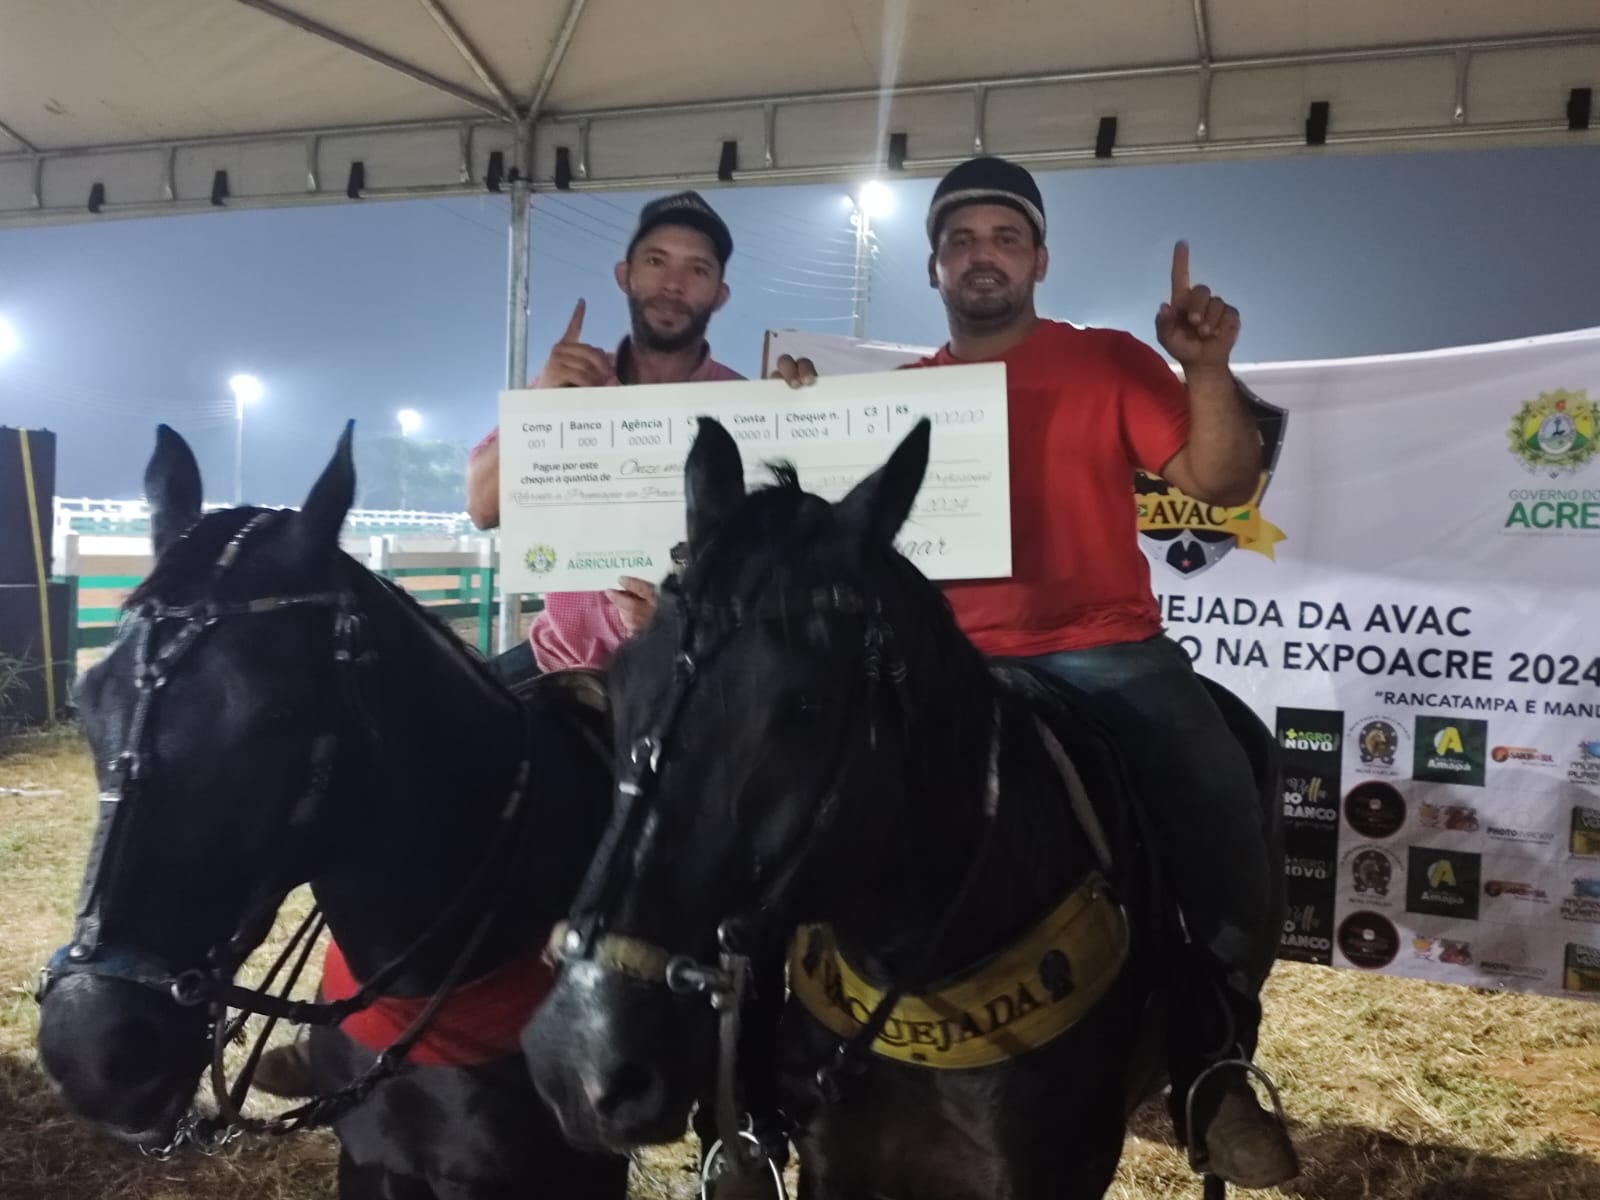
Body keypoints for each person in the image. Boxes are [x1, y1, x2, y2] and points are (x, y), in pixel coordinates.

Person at [872, 155, 1298, 1189]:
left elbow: (1222, 479)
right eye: (963, 240)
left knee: (1216, 801)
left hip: (1101, 652)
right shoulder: (895, 398)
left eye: (1005, 239)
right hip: (944, 668)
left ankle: (1211, 1061)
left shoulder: (1107, 361)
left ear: (1040, 261)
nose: (985, 257)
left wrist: (1204, 367)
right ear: (934, 266)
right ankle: (751, 1081)